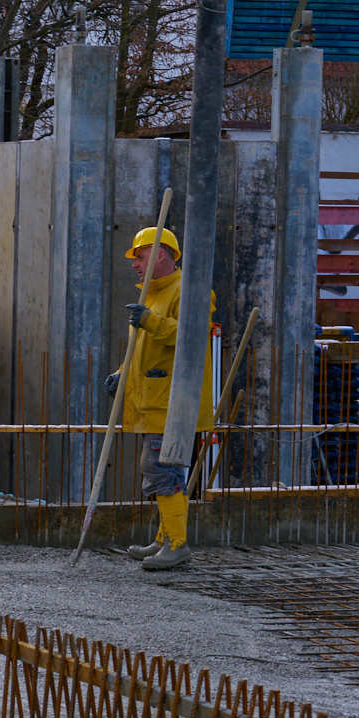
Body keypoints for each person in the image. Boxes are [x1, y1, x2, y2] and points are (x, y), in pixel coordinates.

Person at [105, 225, 214, 571]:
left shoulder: (190, 291)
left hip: (172, 401)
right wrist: (123, 372)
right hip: (157, 398)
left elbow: (192, 337)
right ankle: (166, 539)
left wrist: (152, 321)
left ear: (160, 254)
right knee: (167, 471)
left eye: (139, 256)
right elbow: (145, 350)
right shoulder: (151, 295)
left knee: (159, 470)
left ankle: (177, 545)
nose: (135, 264)